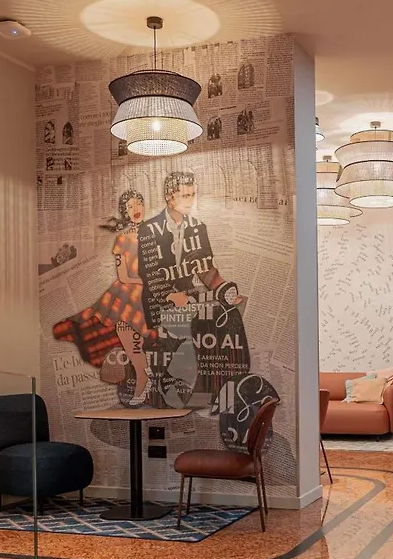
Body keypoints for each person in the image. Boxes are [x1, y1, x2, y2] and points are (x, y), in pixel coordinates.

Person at [138, 171, 249, 403]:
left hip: (188, 302)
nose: (191, 200)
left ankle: (225, 388)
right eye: (185, 196)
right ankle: (176, 384)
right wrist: (171, 296)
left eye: (193, 195)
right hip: (160, 304)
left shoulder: (198, 228)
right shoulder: (148, 229)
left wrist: (224, 289)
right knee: (194, 329)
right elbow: (149, 274)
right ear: (169, 197)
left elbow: (206, 270)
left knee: (230, 318)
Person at [53, 189, 155, 405]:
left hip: (149, 296)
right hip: (127, 295)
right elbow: (124, 276)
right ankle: (143, 377)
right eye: (129, 207)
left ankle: (145, 377)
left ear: (144, 206)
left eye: (138, 204)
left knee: (140, 341)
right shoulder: (123, 239)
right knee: (128, 340)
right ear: (125, 212)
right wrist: (145, 282)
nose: (135, 209)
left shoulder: (156, 237)